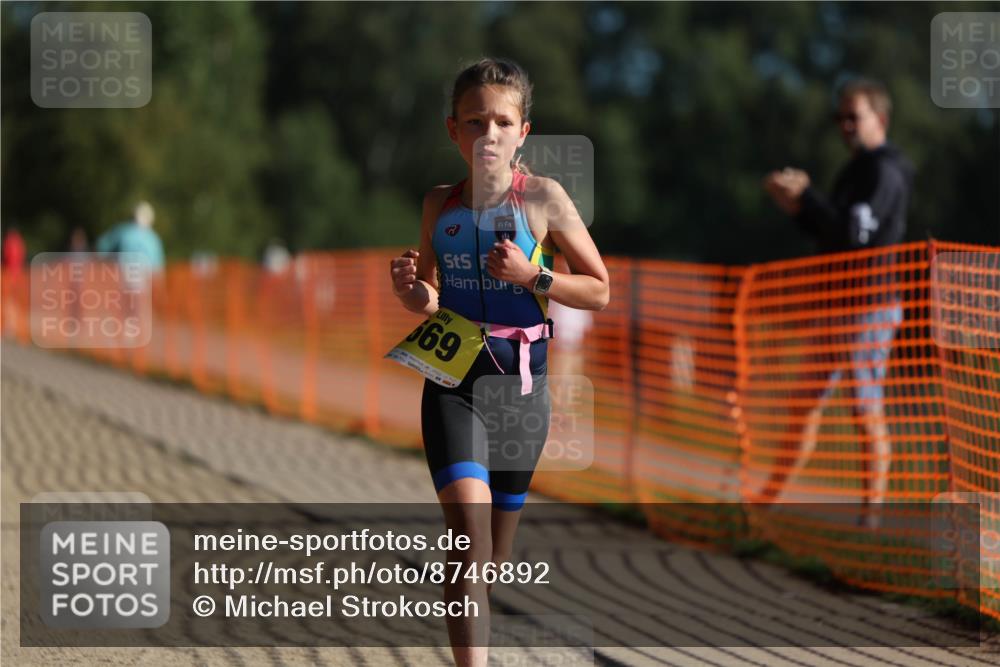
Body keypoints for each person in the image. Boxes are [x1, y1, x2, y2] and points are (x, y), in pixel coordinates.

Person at [388, 58, 609, 666]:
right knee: (468, 539)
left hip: (521, 392)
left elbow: (599, 288)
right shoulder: (440, 204)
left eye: (501, 121)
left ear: (522, 133)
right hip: (455, 384)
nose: (489, 133)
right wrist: (412, 291)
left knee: (491, 558)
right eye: (474, 121)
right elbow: (431, 297)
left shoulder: (543, 198)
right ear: (452, 131)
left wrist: (535, 275)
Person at [761, 78, 913, 528]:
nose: (845, 125)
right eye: (840, 117)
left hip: (868, 305)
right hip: (835, 304)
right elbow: (832, 232)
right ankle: (768, 501)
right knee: (804, 404)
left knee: (864, 408)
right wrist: (798, 205)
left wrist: (806, 195)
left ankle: (872, 515)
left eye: (855, 116)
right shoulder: (857, 169)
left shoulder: (886, 169)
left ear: (879, 119)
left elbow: (854, 234)